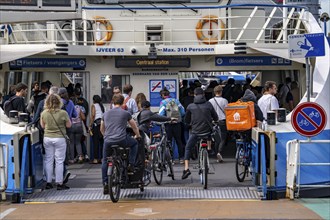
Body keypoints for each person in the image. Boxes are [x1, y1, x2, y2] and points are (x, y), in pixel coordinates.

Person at [100, 94, 141, 194]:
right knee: (134, 144)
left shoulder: (105, 114)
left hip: (108, 141)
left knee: (105, 160)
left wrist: (105, 136)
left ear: (113, 102)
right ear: (123, 102)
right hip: (121, 140)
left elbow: (102, 128)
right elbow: (134, 126)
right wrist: (138, 135)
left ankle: (105, 183)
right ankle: (131, 164)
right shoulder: (125, 113)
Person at [182, 88, 218, 179]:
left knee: (188, 148)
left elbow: (186, 120)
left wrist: (190, 123)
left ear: (194, 95)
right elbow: (216, 117)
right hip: (207, 131)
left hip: (196, 132)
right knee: (209, 134)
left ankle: (186, 169)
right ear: (203, 95)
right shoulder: (209, 105)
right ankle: (209, 149)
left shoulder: (190, 106)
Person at [40, 94, 71, 190]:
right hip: (59, 138)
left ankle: (48, 182)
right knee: (59, 161)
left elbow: (43, 126)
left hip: (47, 138)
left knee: (49, 160)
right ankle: (59, 183)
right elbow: (69, 125)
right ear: (59, 102)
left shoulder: (44, 113)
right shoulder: (63, 113)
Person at [159, 88, 185, 163]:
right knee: (179, 141)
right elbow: (183, 112)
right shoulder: (176, 101)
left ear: (163, 95)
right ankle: (181, 158)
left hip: (168, 124)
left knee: (168, 141)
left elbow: (161, 114)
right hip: (177, 124)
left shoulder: (163, 102)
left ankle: (171, 159)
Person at [208, 85, 228, 163]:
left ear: (214, 92)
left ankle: (217, 154)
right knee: (223, 138)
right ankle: (219, 152)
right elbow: (227, 111)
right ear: (221, 92)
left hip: (213, 121)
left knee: (216, 139)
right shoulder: (224, 100)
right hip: (222, 120)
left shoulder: (210, 101)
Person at [89, 95, 105, 164]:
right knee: (102, 142)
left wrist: (90, 125)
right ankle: (101, 158)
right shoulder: (103, 106)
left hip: (96, 124)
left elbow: (93, 115)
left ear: (94, 100)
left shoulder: (94, 105)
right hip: (103, 123)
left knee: (96, 142)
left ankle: (95, 159)